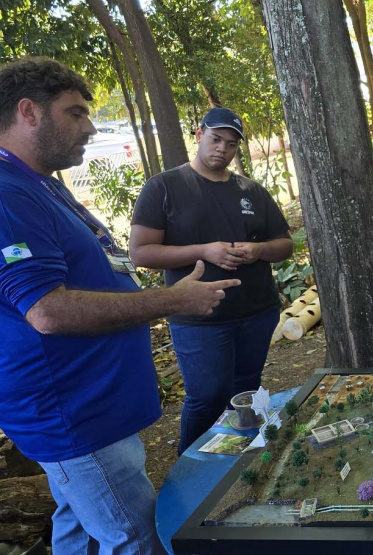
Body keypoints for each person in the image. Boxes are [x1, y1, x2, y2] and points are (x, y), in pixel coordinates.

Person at [0, 57, 239, 555]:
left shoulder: (37, 182)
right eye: (75, 113)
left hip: (93, 408)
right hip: (74, 417)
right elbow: (47, 311)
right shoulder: (8, 194)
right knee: (139, 539)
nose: (90, 127)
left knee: (80, 529)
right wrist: (172, 299)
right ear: (28, 112)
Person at [130, 107, 293, 454]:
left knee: (246, 391)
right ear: (199, 134)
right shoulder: (165, 187)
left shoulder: (252, 191)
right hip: (199, 318)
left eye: (231, 144)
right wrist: (205, 251)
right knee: (207, 396)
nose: (222, 149)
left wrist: (259, 250)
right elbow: (141, 253)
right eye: (216, 139)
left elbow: (284, 244)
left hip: (256, 311)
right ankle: (190, 467)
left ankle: (239, 461)